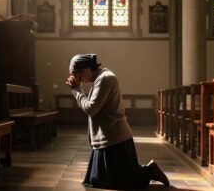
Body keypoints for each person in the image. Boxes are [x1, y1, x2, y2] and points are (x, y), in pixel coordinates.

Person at [66, 54, 170, 189]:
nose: (79, 80)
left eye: (78, 76)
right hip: (105, 139)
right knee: (99, 180)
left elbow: (91, 108)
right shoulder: (99, 79)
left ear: (86, 69)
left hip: (115, 138)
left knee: (128, 183)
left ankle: (151, 171)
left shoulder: (106, 79)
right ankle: (146, 171)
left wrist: (76, 90)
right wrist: (78, 90)